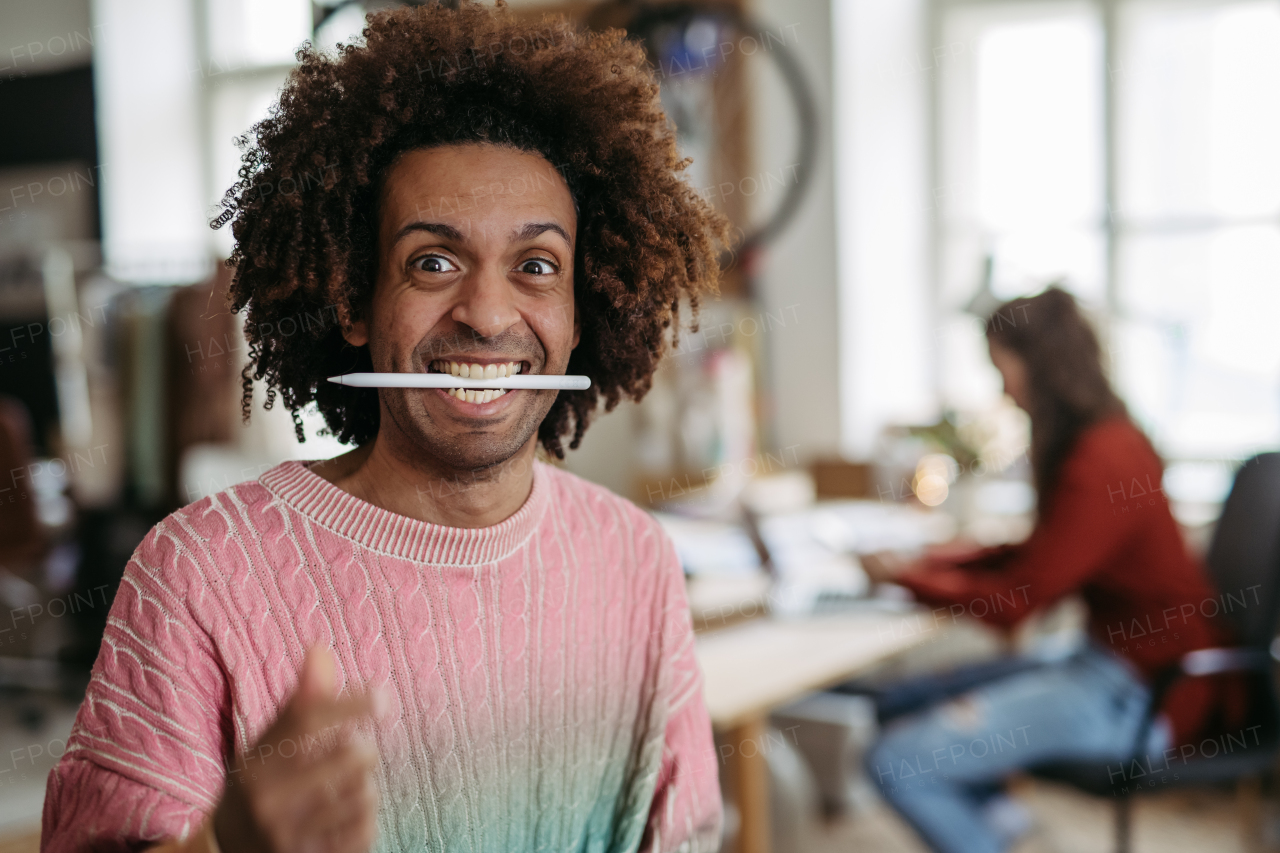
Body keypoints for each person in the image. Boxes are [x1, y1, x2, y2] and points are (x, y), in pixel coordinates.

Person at [41, 4, 730, 852]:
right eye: (433, 261)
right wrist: (220, 848)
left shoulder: (637, 558)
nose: (485, 312)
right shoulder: (197, 574)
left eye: (536, 265)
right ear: (354, 302)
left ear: (581, 314)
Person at [860, 287, 1243, 853]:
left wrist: (905, 578)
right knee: (897, 699)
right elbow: (1041, 553)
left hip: (1143, 697)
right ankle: (1004, 831)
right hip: (1110, 667)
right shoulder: (1106, 439)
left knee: (897, 761)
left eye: (1002, 369)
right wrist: (933, 561)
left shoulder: (1102, 460)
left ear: (1038, 364)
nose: (1001, 389)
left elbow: (1017, 600)